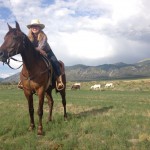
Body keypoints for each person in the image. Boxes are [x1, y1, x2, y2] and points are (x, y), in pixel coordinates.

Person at [18, 19, 64, 91]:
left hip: (47, 52)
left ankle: (59, 81)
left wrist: (35, 49)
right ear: (31, 28)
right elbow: (28, 48)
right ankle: (22, 80)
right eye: (33, 26)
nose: (34, 28)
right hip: (35, 54)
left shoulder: (43, 36)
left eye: (36, 26)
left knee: (55, 62)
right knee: (26, 63)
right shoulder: (28, 38)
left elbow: (41, 47)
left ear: (39, 28)